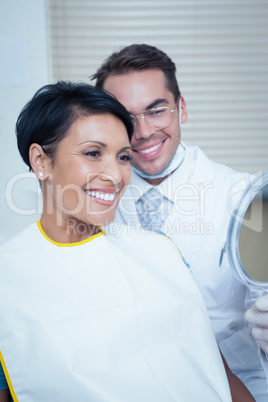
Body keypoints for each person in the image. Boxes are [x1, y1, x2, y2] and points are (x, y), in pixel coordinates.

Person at [0, 81, 254, 402]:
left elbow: (217, 374)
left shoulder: (160, 252)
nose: (115, 175)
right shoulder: (8, 279)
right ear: (41, 161)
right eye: (93, 153)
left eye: (122, 157)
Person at [92, 43, 268, 400]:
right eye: (125, 119)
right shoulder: (91, 205)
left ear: (181, 108)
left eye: (156, 111)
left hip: (238, 386)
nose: (142, 132)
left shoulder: (243, 197)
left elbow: (261, 290)